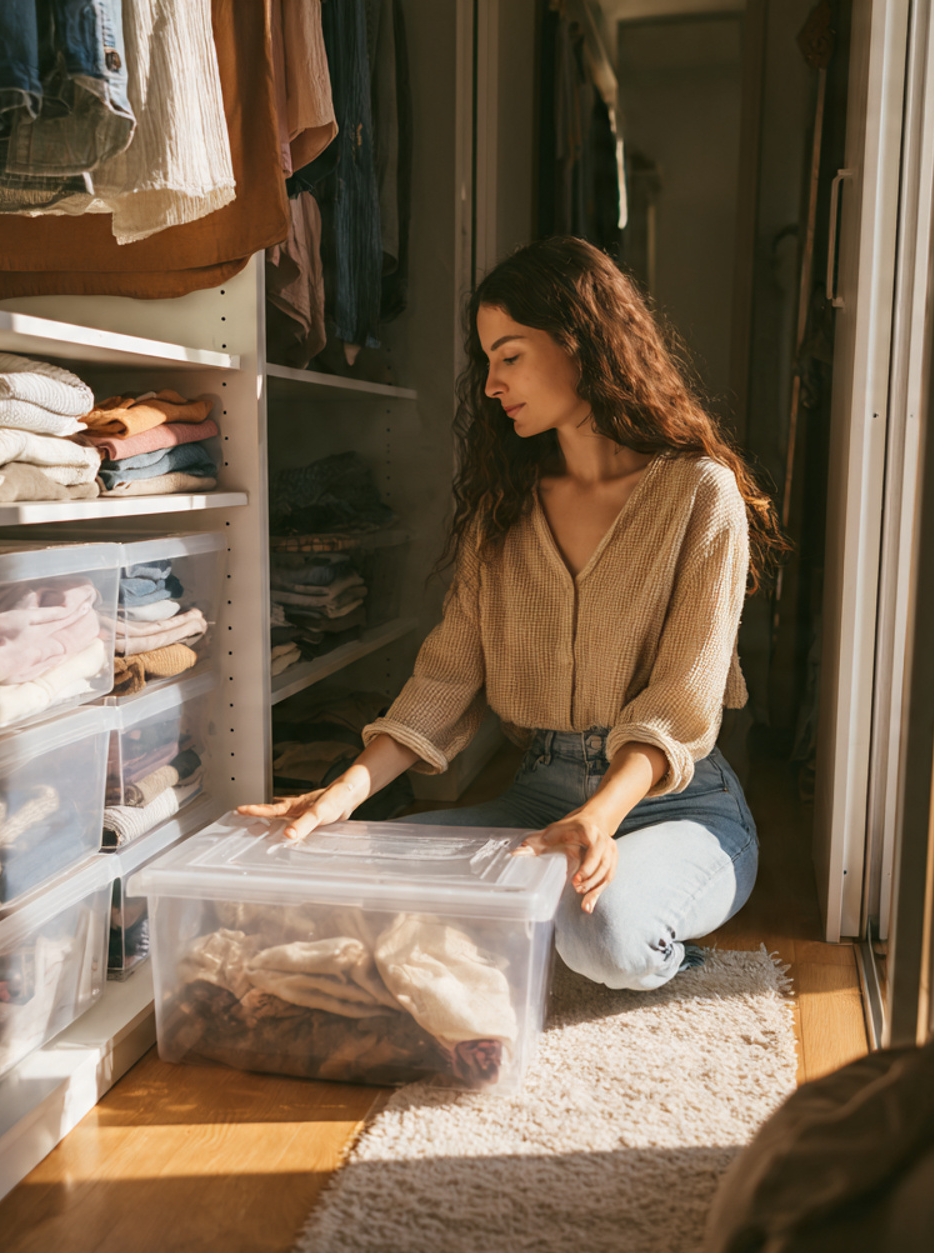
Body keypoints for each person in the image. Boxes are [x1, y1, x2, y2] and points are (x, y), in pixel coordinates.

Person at [239, 236, 791, 992]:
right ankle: (541, 920)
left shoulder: (700, 494)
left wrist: (599, 817)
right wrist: (342, 794)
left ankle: (646, 937)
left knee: (607, 939)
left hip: (675, 803)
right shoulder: (505, 513)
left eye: (511, 355)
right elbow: (445, 678)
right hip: (539, 791)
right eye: (488, 362)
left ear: (581, 342)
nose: (493, 384)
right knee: (349, 879)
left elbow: (681, 702)